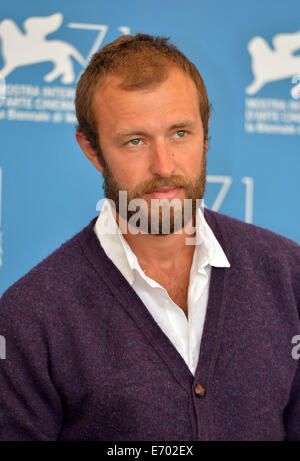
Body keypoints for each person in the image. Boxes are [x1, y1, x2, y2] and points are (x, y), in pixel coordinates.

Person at [0, 33, 300, 441]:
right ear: (92, 150)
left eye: (180, 133)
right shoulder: (29, 317)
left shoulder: (288, 276)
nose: (164, 165)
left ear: (205, 133)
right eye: (135, 141)